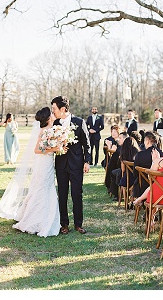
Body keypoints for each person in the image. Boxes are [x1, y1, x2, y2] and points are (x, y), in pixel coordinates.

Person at [0, 107, 63, 237]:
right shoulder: (44, 131)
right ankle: (36, 220)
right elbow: (37, 150)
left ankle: (46, 217)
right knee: (42, 188)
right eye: (51, 113)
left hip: (48, 163)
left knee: (46, 188)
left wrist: (58, 148)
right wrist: (55, 148)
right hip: (43, 163)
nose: (53, 114)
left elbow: (47, 148)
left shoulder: (52, 130)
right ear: (48, 118)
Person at [51, 96, 91, 235]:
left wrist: (87, 162)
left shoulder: (79, 122)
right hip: (61, 164)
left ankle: (78, 224)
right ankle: (64, 224)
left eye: (54, 109)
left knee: (76, 194)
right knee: (62, 194)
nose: (53, 111)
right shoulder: (55, 123)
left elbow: (87, 144)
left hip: (76, 164)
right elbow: (51, 142)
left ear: (63, 109)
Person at [133, 131, 163, 198]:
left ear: (147, 141)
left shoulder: (140, 155)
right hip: (158, 185)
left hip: (142, 186)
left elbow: (135, 173)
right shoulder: (162, 155)